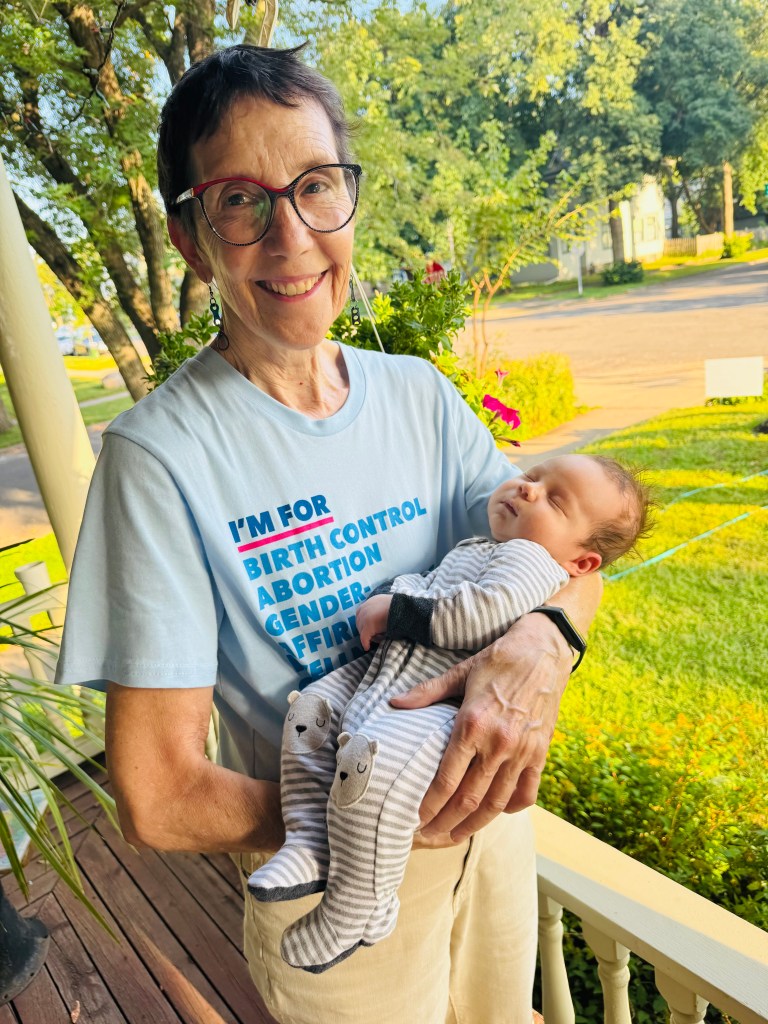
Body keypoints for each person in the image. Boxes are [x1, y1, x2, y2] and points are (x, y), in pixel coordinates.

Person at [54, 43, 603, 1024]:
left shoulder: (419, 395)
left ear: (347, 197)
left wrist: (542, 643)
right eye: (239, 201)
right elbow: (157, 792)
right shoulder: (158, 457)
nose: (293, 238)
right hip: (345, 900)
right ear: (192, 239)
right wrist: (365, 809)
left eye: (315, 188)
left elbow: (568, 565)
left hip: (500, 836)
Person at [248, 454, 651, 973]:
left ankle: (357, 907)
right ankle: (307, 838)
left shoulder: (532, 562)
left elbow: (483, 613)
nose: (528, 490)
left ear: (582, 563)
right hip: (390, 673)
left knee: (371, 771)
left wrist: (393, 609)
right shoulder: (484, 548)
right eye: (533, 476)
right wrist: (401, 591)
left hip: (439, 701)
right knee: (311, 710)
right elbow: (435, 585)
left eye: (554, 500)